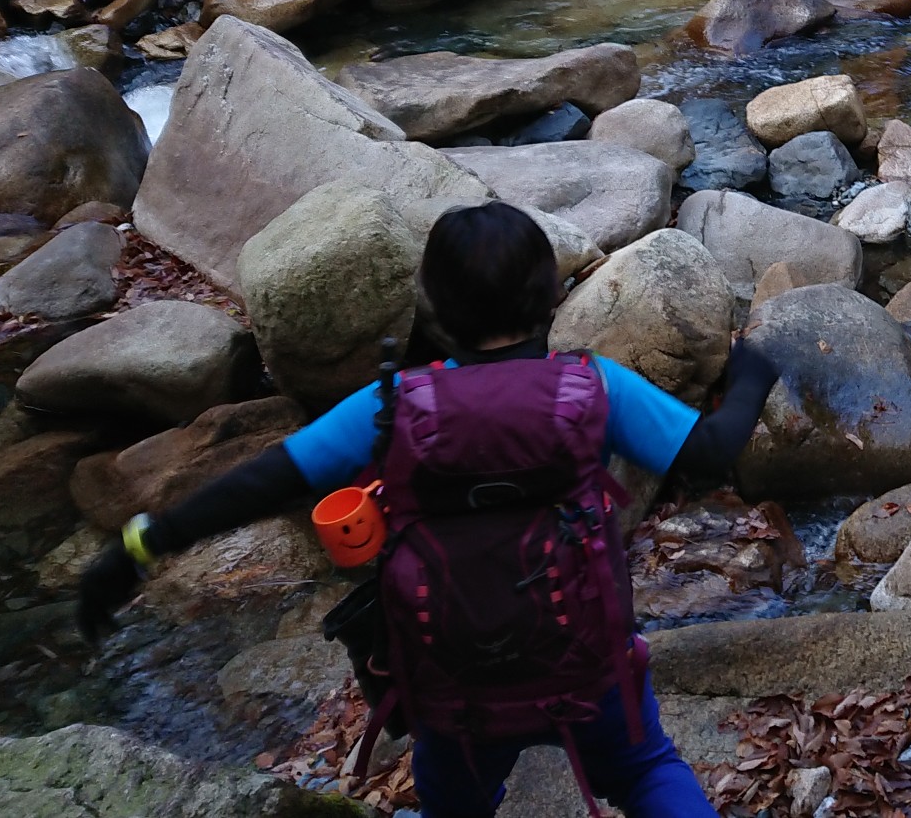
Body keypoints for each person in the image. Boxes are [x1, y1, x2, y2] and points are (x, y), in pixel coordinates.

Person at [78, 201, 778, 818]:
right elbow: (710, 452)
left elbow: (266, 479)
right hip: (587, 661)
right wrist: (748, 377)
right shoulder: (592, 389)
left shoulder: (393, 405)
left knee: (452, 802)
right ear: (552, 300)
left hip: (453, 680)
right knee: (642, 768)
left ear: (435, 314)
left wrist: (141, 546)